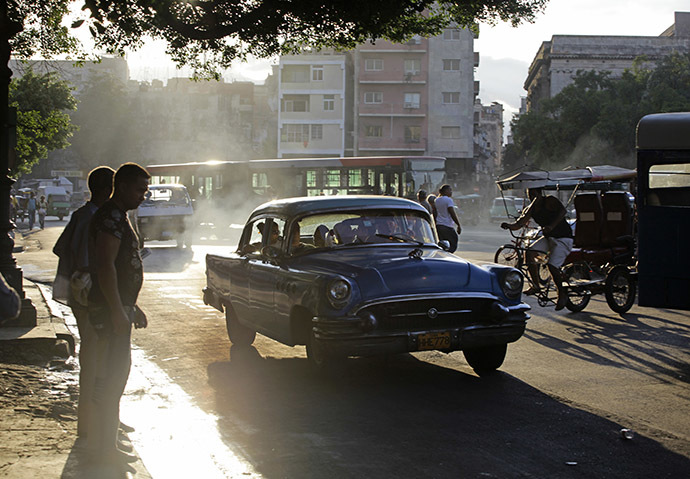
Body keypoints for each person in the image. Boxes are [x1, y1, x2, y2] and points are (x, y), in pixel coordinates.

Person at [87, 163, 150, 466]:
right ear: (121, 186)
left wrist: (129, 305)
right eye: (139, 189)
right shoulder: (111, 217)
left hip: (118, 307)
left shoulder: (118, 216)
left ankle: (107, 442)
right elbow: (105, 265)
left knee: (115, 378)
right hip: (109, 310)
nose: (143, 195)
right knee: (112, 378)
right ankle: (104, 449)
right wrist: (115, 308)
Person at [53, 167, 115, 442]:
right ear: (108, 190)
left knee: (94, 352)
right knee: (97, 354)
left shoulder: (80, 215)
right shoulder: (98, 218)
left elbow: (60, 248)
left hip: (81, 287)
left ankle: (92, 416)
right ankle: (95, 418)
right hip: (91, 290)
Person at [501, 188, 573, 311]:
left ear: (540, 193)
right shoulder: (531, 208)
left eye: (534, 193)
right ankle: (536, 285)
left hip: (563, 238)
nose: (532, 196)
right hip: (549, 238)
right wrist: (508, 226)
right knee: (529, 252)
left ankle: (562, 294)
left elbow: (563, 212)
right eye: (530, 194)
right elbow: (519, 223)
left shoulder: (550, 200)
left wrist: (551, 226)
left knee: (552, 266)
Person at [434, 184, 462, 253]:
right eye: (450, 190)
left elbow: (435, 212)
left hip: (439, 225)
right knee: (453, 243)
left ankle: (442, 255)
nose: (451, 192)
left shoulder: (436, 200)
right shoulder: (448, 200)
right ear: (445, 191)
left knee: (442, 243)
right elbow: (452, 213)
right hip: (447, 225)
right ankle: (448, 255)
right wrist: (458, 224)